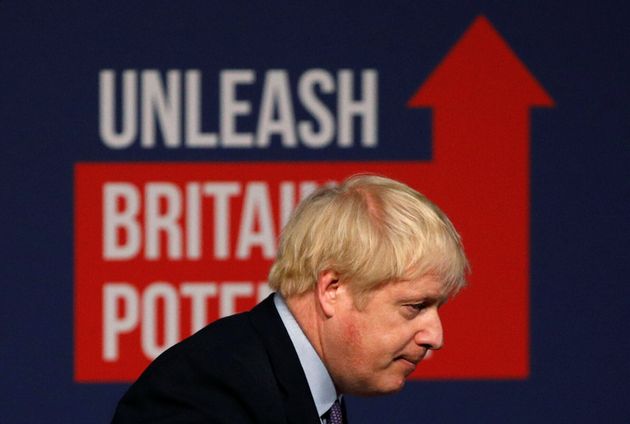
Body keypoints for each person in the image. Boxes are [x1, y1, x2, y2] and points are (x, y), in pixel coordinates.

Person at [112, 174, 468, 424]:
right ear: (332, 289)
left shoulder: (309, 388)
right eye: (415, 307)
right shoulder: (210, 392)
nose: (435, 336)